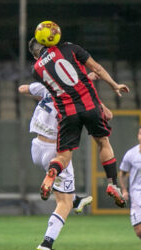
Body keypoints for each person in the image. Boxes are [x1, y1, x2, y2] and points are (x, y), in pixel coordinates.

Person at [28, 36, 129, 208]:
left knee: (63, 156)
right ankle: (112, 184)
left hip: (67, 112)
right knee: (103, 143)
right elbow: (96, 68)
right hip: (90, 105)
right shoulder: (70, 48)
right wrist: (114, 85)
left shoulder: (36, 69)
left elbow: (57, 82)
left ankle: (52, 173)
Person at [18, 78, 94, 250]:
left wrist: (38, 92)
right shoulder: (72, 98)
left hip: (36, 146)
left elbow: (21, 88)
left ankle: (77, 199)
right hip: (56, 152)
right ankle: (47, 243)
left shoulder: (45, 88)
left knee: (67, 191)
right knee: (63, 202)